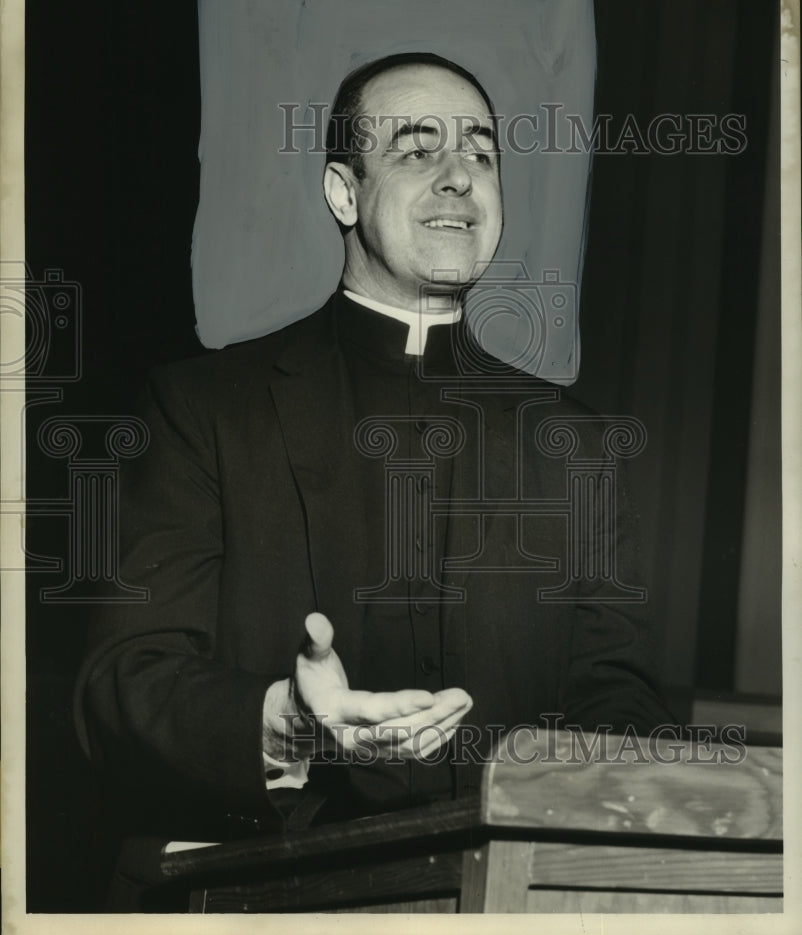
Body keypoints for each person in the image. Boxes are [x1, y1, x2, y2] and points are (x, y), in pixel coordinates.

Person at [75, 53, 672, 853]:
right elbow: (123, 683)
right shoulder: (203, 408)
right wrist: (288, 721)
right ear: (343, 193)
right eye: (419, 149)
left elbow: (615, 699)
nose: (461, 177)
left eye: (483, 153)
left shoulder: (576, 445)